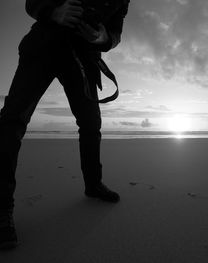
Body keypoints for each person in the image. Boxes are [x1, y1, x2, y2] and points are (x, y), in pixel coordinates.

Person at [0, 0, 130, 249]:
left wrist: (102, 37)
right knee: (12, 121)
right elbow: (32, 2)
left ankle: (93, 185)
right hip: (45, 44)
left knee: (92, 124)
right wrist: (53, 11)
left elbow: (115, 34)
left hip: (84, 57)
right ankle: (1, 208)